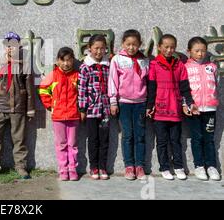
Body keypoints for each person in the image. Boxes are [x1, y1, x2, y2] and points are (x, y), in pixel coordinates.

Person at [0, 32, 35, 179]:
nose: (10, 48)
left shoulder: (24, 65)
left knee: (19, 139)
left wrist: (30, 109)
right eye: (8, 45)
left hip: (18, 106)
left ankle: (21, 167)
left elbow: (30, 89)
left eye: (13, 45)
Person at [146, 34, 198, 181]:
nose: (169, 50)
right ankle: (164, 167)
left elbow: (185, 88)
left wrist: (189, 103)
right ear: (159, 47)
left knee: (176, 140)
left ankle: (179, 166)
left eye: (172, 47)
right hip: (160, 111)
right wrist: (149, 106)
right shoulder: (154, 65)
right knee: (162, 142)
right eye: (166, 47)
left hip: (175, 110)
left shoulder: (179, 65)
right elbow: (151, 88)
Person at [108, 30, 150, 180]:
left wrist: (149, 104)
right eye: (128, 44)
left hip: (140, 103)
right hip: (124, 103)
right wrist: (113, 101)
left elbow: (148, 82)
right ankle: (129, 166)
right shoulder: (117, 60)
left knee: (140, 135)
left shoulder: (144, 60)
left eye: (135, 44)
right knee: (127, 135)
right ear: (123, 44)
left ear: (140, 44)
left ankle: (139, 166)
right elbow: (112, 81)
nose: (131, 47)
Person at [39, 47, 81, 181]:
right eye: (62, 60)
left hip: (74, 115)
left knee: (72, 144)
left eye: (69, 60)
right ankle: (63, 170)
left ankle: (72, 169)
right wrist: (50, 105)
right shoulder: (53, 75)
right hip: (58, 116)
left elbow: (83, 93)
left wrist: (80, 108)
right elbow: (43, 90)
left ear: (73, 60)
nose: (66, 63)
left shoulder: (77, 75)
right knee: (61, 144)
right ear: (57, 61)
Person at [184, 37, 221, 181]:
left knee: (209, 139)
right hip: (194, 108)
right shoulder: (185, 67)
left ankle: (211, 166)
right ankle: (199, 165)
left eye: (203, 51)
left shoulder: (212, 66)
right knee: (197, 138)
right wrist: (185, 105)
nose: (200, 54)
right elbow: (184, 89)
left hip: (210, 108)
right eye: (197, 51)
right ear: (189, 51)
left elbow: (216, 85)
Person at [78, 34, 112, 180]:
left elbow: (112, 85)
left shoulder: (108, 65)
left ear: (106, 49)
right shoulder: (85, 67)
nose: (99, 51)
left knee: (104, 139)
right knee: (93, 140)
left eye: (102, 48)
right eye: (96, 48)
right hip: (91, 110)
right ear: (89, 48)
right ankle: (94, 167)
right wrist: (82, 109)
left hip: (105, 109)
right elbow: (81, 90)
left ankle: (103, 166)